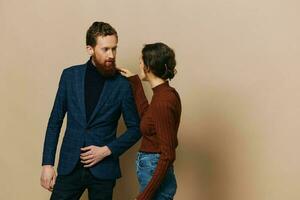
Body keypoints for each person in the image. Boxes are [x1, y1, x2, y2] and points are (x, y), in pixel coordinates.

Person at [40, 21, 141, 200]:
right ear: (90, 49)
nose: (111, 54)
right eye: (105, 49)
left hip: (104, 170)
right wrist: (47, 164)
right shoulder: (70, 76)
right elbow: (55, 121)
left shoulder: (122, 85)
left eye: (114, 48)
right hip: (69, 165)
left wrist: (107, 150)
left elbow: (136, 128)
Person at [118, 42, 181, 200]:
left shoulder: (163, 102)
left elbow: (168, 154)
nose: (139, 64)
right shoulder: (163, 94)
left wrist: (144, 196)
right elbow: (148, 118)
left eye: (141, 61)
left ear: (148, 67)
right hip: (152, 168)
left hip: (154, 168)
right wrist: (136, 82)